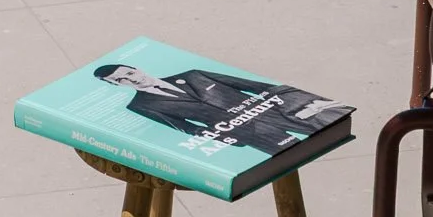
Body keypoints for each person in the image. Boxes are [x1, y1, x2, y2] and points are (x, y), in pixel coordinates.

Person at [94, 61, 348, 156]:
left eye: (129, 73)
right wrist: (227, 139)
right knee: (294, 157)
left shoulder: (193, 74)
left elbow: (251, 85)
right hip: (250, 133)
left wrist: (295, 100)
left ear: (137, 68)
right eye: (120, 80)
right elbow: (186, 129)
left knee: (329, 130)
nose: (132, 80)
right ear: (117, 86)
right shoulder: (140, 105)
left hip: (278, 111)